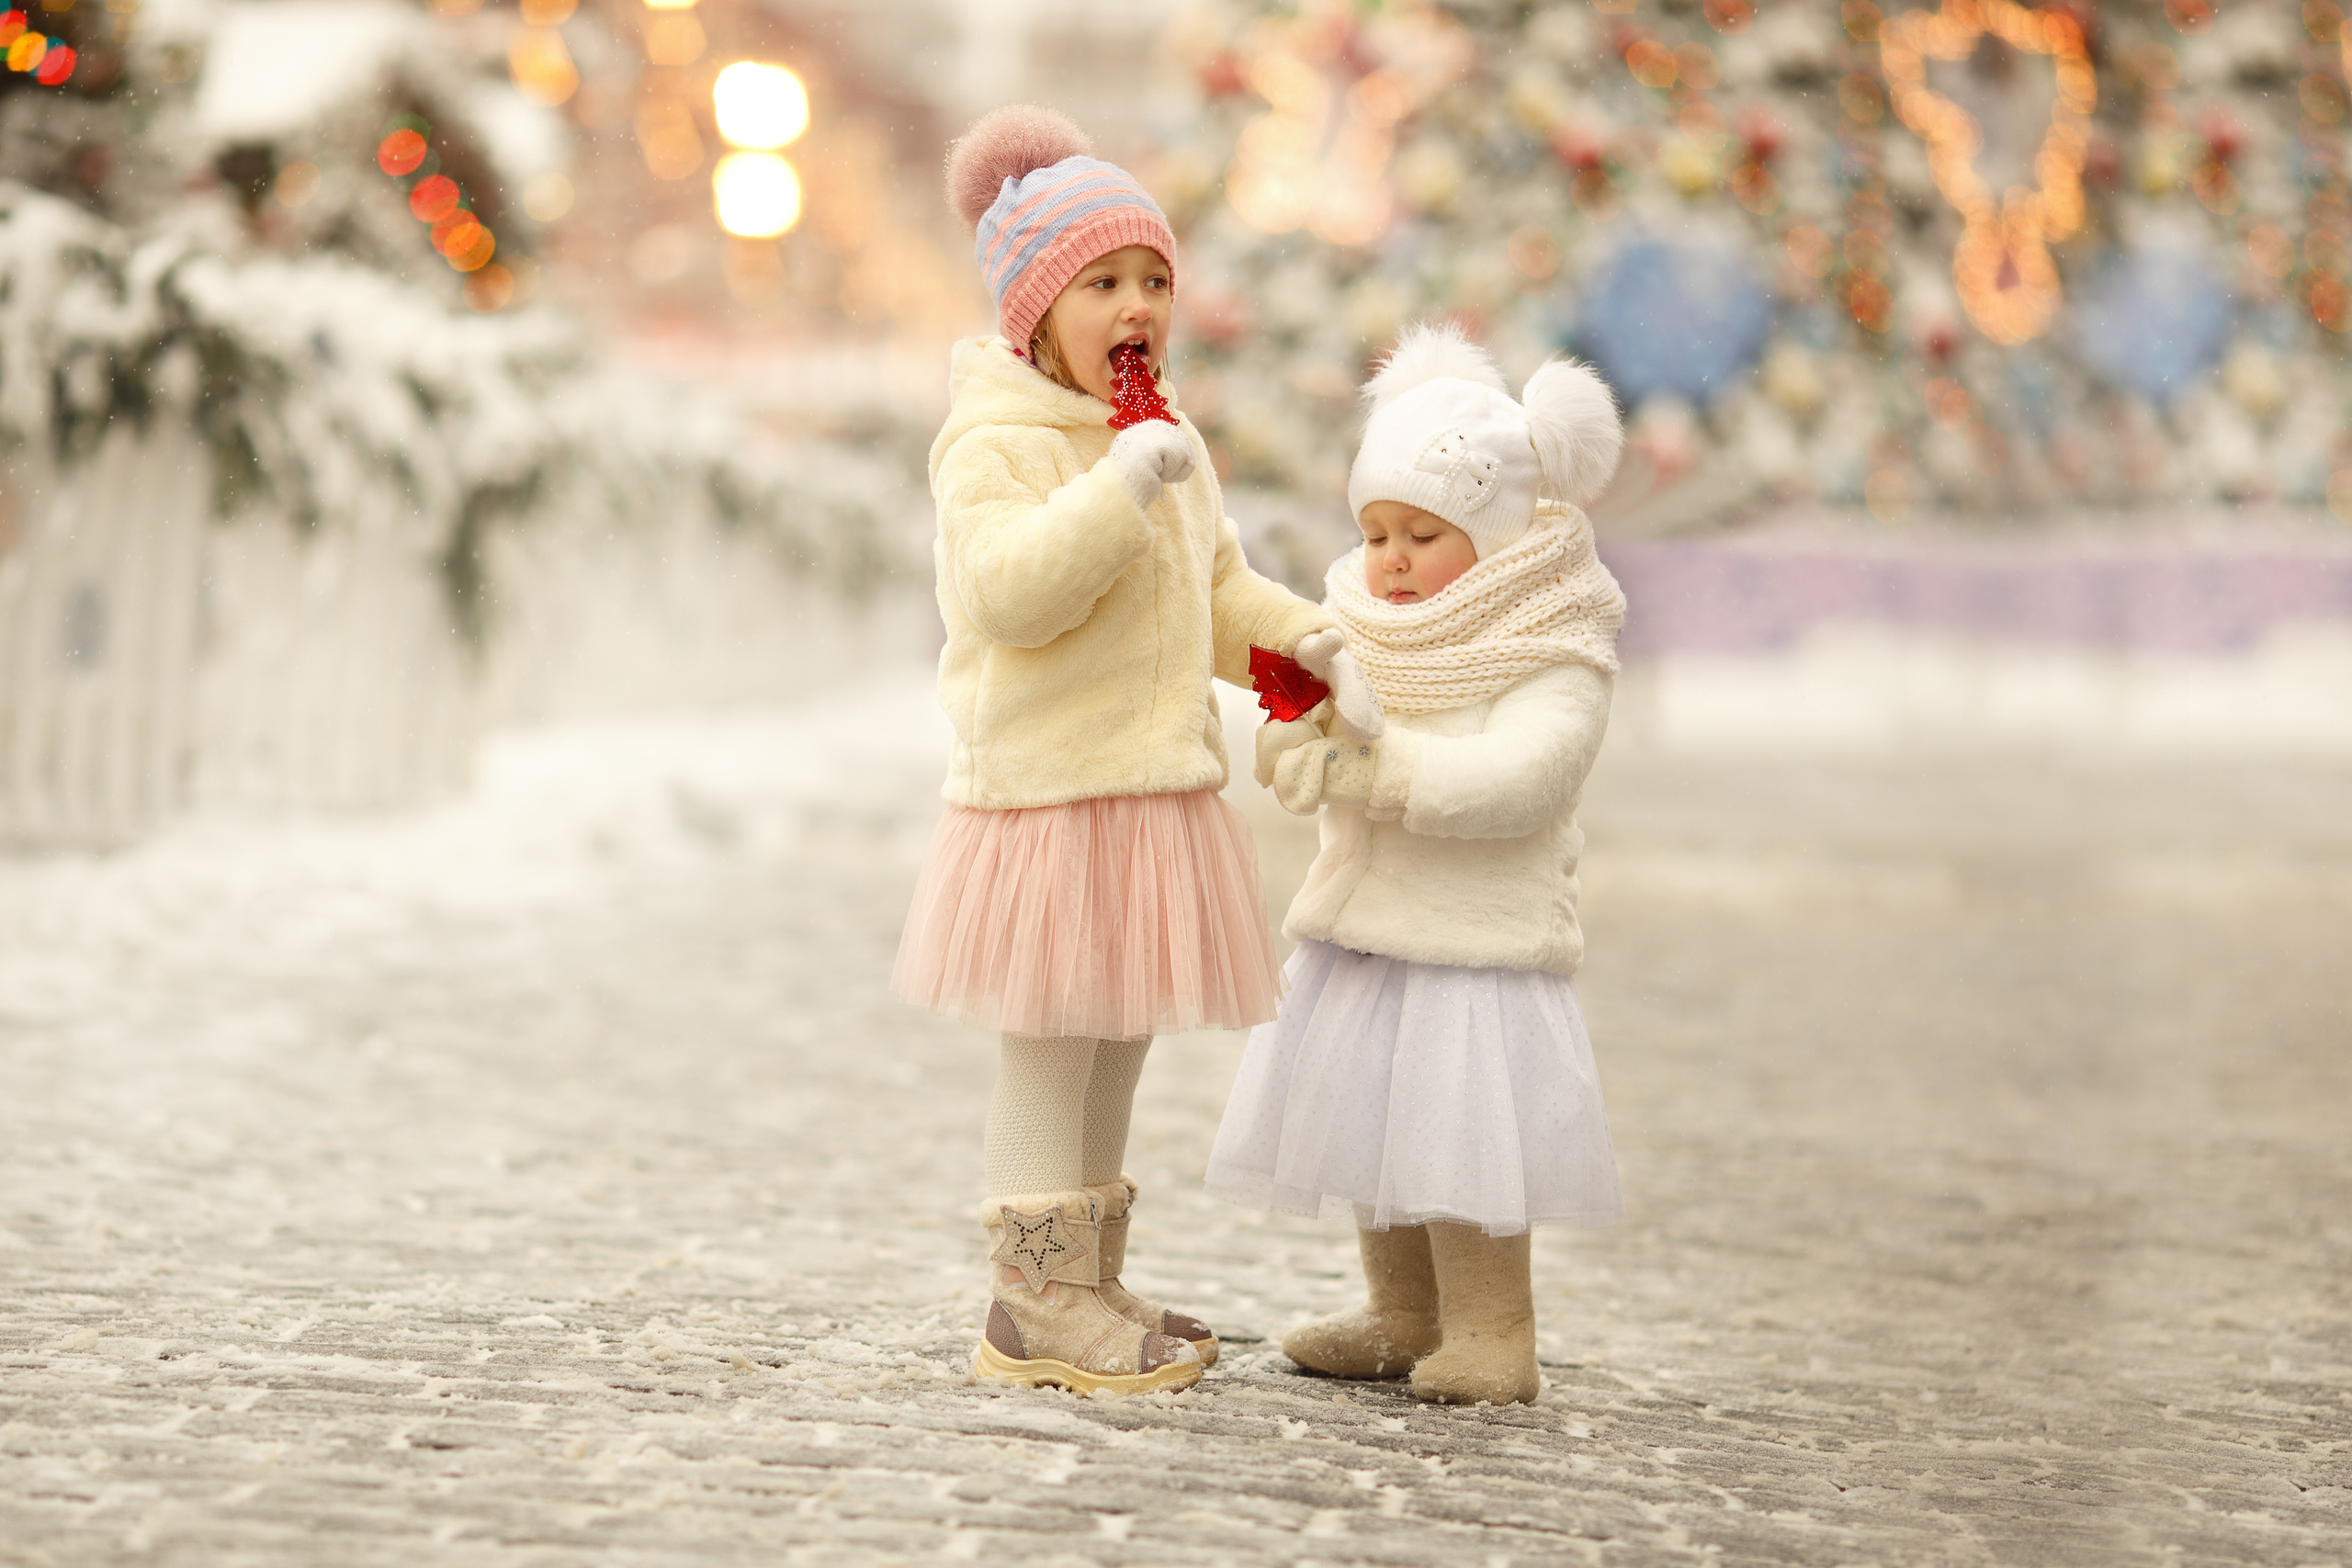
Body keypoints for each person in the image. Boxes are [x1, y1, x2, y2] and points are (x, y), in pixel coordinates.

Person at [892, 105, 1372, 1396]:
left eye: (1154, 278)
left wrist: (1307, 640)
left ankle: (1087, 1273)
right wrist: (1119, 489)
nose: (1137, 302)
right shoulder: (996, 443)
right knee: (1054, 1036)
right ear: (1037, 309)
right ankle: (1031, 1296)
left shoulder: (1165, 441)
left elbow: (1215, 596)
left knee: (1119, 1038)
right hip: (1048, 794)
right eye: (1103, 280)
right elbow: (1005, 592)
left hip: (1152, 786)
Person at [1205, 322, 1630, 1405]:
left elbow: (1520, 781)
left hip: (1475, 949)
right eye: (1376, 531)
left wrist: (1380, 771)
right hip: (1368, 930)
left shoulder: (1551, 645)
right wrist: (1298, 743)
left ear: (1490, 538)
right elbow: (1324, 721)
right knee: (1368, 1119)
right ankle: (1403, 1312)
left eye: (1421, 535)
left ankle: (1495, 1329)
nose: (1388, 559)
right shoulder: (1367, 632)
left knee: (1459, 1141)